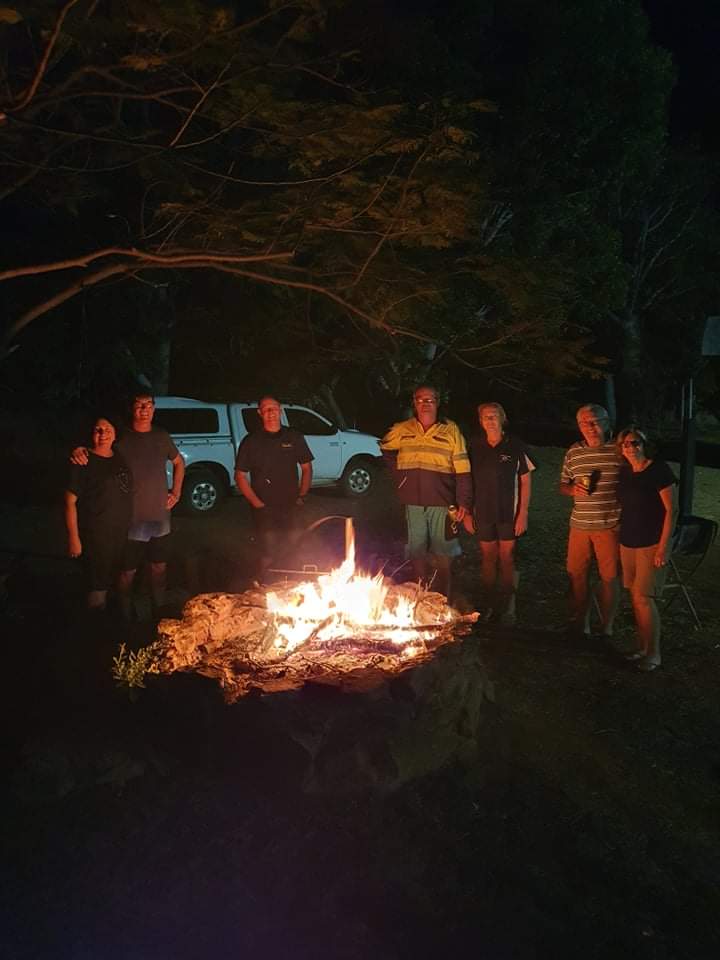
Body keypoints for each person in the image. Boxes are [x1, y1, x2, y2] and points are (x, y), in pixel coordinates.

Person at [72, 392, 185, 617]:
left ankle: (159, 610)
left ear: (154, 409)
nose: (144, 409)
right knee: (127, 571)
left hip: (160, 517)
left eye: (149, 405)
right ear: (132, 408)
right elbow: (98, 447)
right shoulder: (121, 436)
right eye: (139, 405)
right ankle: (125, 614)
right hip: (131, 519)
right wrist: (79, 449)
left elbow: (179, 463)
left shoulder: (162, 436)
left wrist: (177, 491)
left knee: (159, 567)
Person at [380, 385, 471, 598]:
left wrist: (464, 501)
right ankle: (420, 595)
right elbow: (385, 448)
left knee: (443, 553)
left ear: (437, 402)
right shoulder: (402, 429)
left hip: (442, 501)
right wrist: (400, 474)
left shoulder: (451, 430)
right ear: (414, 402)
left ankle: (443, 598)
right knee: (416, 551)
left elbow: (463, 469)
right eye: (420, 399)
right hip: (412, 501)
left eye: (430, 399)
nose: (425, 404)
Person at [464, 402, 536, 624]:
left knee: (507, 558)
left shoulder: (515, 445)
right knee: (488, 558)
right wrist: (467, 513)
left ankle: (508, 607)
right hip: (483, 512)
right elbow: (465, 481)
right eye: (486, 416)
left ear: (502, 418)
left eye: (494, 416)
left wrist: (523, 513)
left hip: (508, 513)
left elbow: (525, 481)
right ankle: (489, 604)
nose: (490, 420)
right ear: (480, 421)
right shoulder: (473, 446)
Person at [616, 426, 677, 672]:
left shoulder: (659, 470)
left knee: (644, 598)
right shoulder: (625, 472)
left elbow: (672, 510)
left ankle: (654, 653)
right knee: (635, 597)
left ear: (644, 444)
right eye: (626, 444)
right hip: (628, 541)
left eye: (635, 443)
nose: (631, 448)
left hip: (651, 543)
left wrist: (664, 547)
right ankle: (642, 647)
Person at [559, 404, 622, 638]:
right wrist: (572, 489)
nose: (590, 427)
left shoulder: (618, 450)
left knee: (609, 577)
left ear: (606, 423)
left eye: (595, 421)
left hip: (610, 524)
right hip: (580, 525)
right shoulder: (574, 452)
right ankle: (581, 624)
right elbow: (563, 484)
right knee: (577, 575)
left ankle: (606, 627)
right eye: (584, 422)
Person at [234, 395, 313, 579]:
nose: (270, 413)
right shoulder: (251, 441)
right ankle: (265, 587)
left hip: (292, 505)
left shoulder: (293, 436)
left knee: (295, 548)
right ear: (260, 413)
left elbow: (306, 468)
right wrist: (257, 504)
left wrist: (302, 495)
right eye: (266, 409)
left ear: (280, 410)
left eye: (274, 408)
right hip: (264, 507)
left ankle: (295, 585)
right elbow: (240, 476)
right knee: (267, 552)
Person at [64, 416, 132, 611]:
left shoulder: (118, 456)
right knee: (97, 586)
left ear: (115, 434)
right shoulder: (83, 461)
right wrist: (74, 538)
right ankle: (94, 623)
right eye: (98, 430)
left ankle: (113, 621)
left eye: (108, 430)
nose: (103, 434)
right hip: (96, 536)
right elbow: (69, 502)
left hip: (120, 534)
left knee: (112, 581)